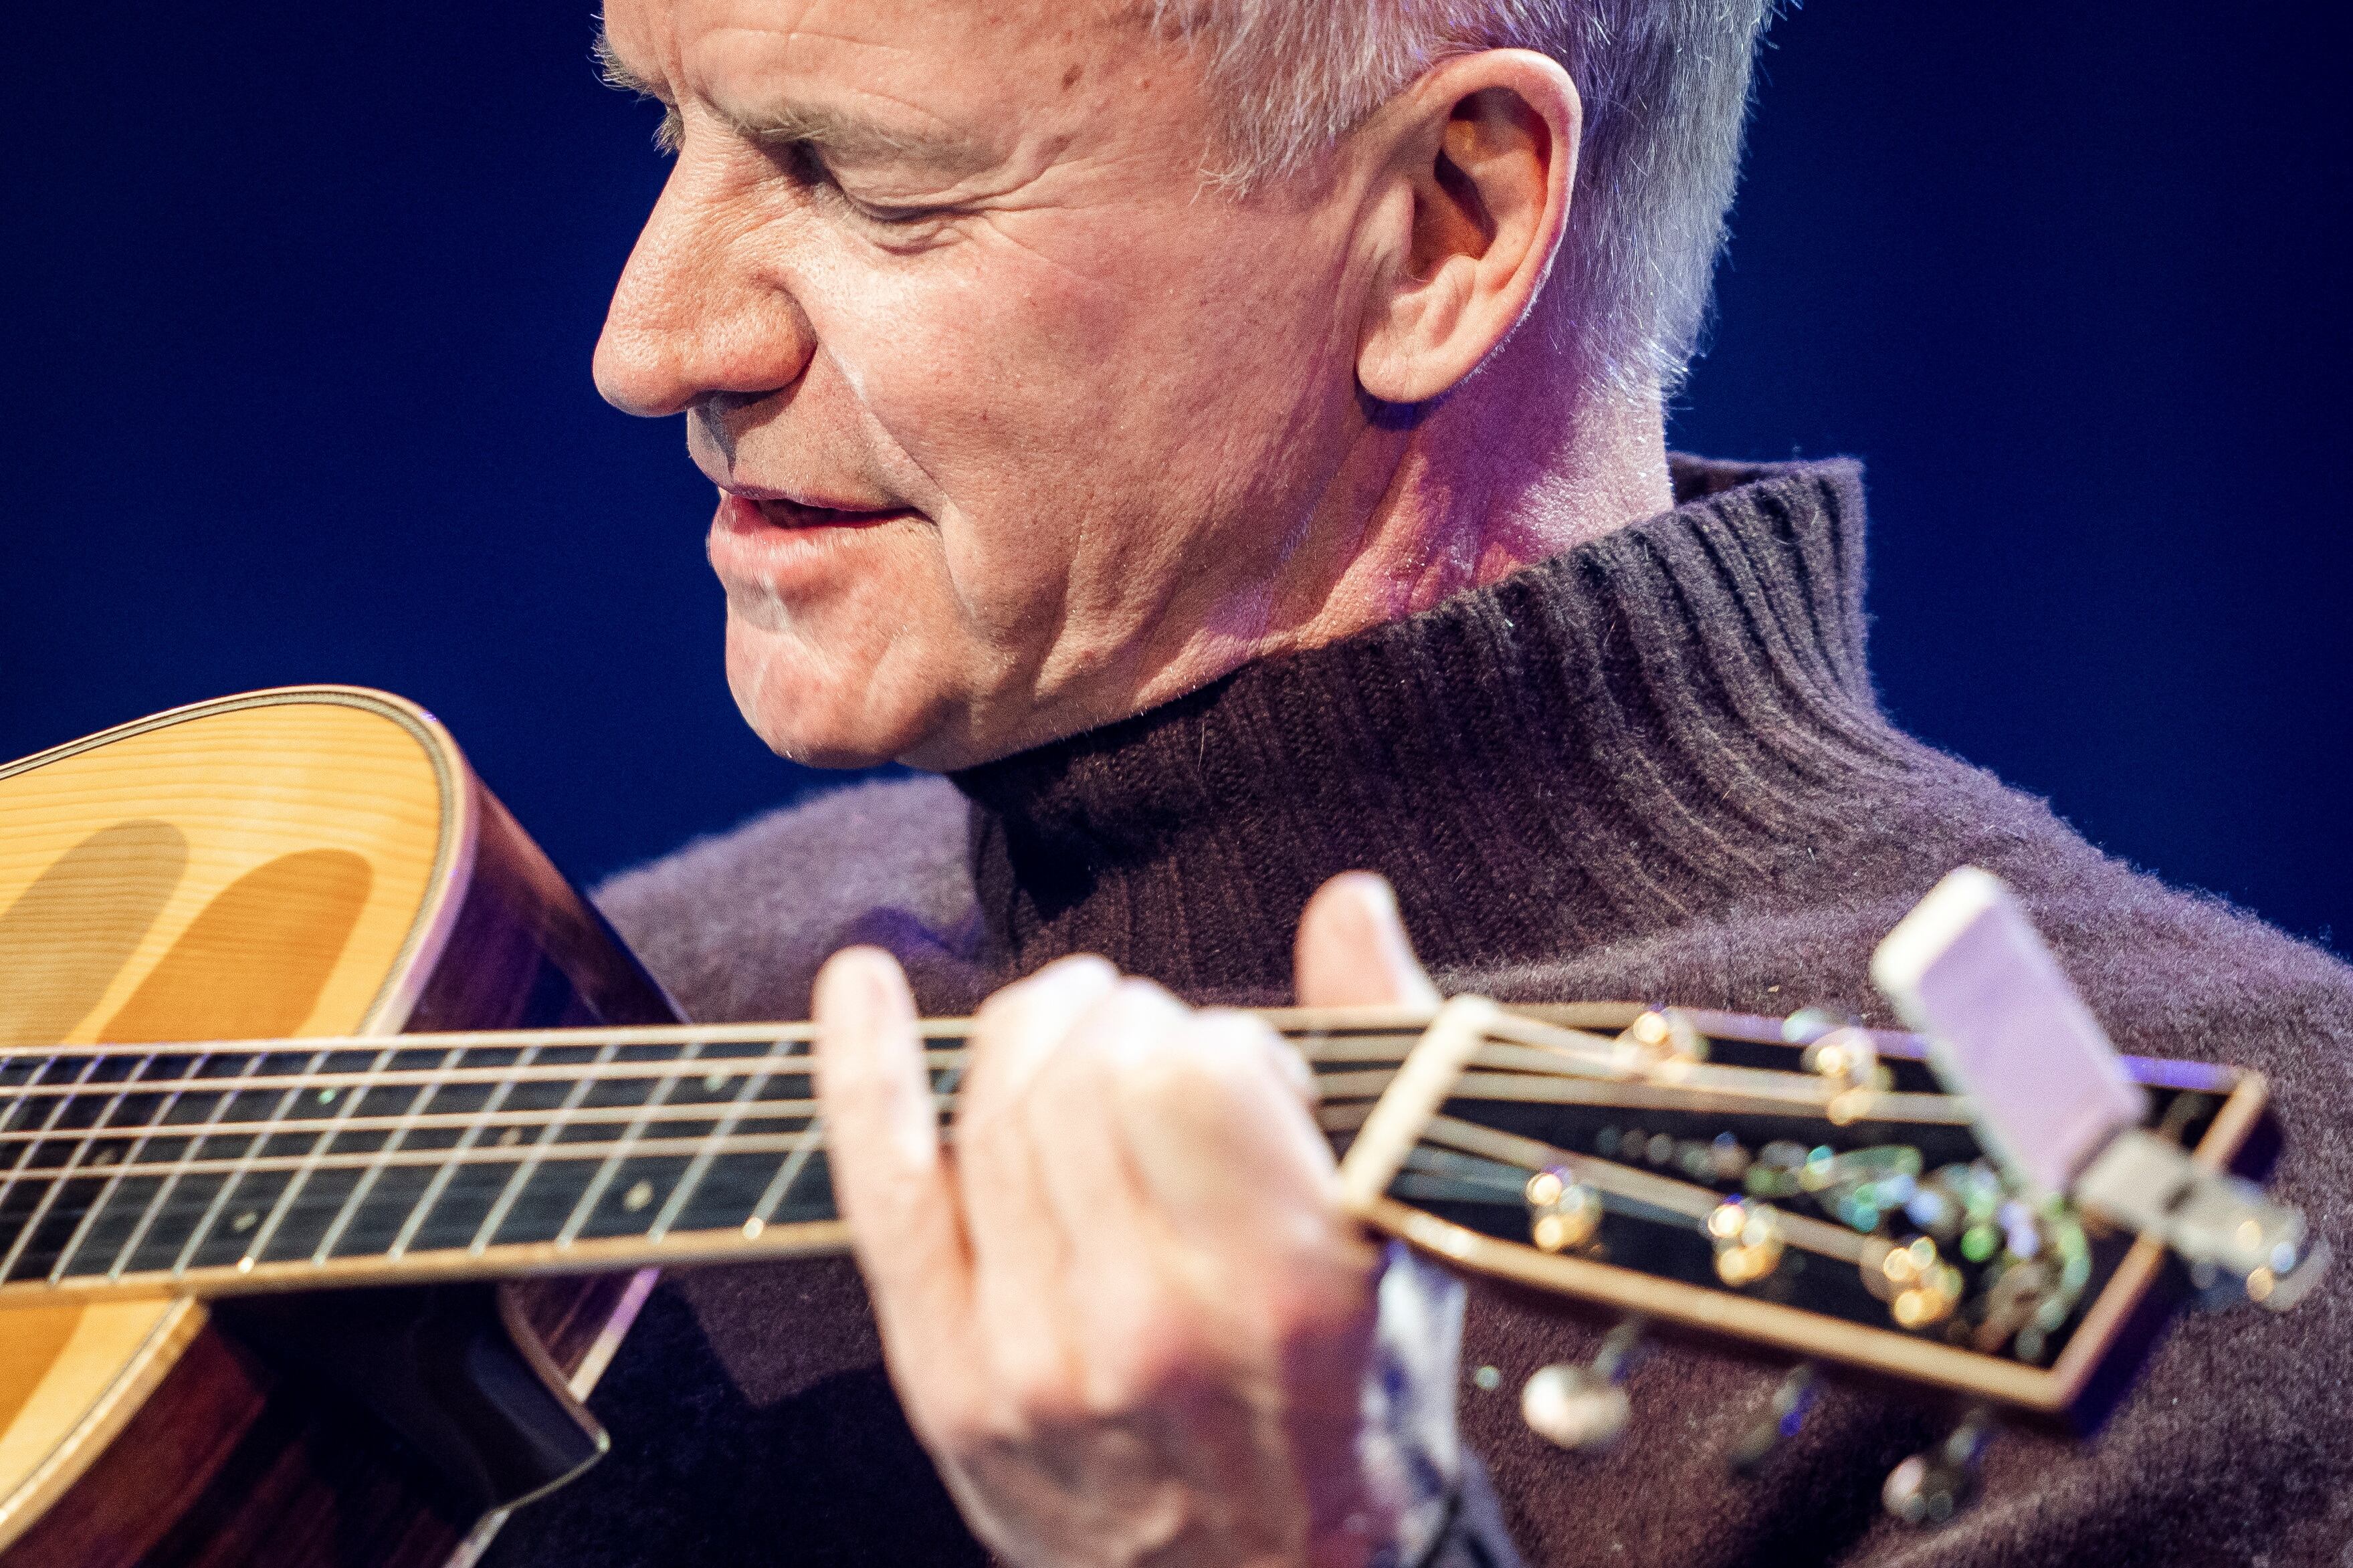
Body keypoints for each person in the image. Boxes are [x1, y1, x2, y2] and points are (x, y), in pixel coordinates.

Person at [491, 2, 2353, 1565]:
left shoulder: (2235, 1229)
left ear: (1448, 227)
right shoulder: (613, 986)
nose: (651, 342)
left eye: (858, 180)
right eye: (668, 125)